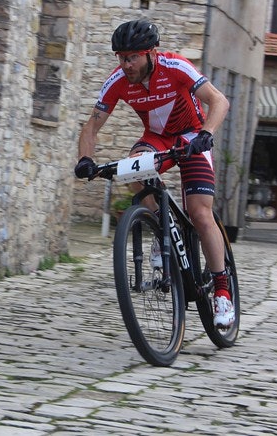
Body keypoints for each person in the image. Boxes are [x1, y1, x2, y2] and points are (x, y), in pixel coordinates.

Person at [74, 19, 234, 328]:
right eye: (121, 57)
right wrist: (85, 159)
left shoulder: (176, 66)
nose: (126, 64)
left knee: (201, 215)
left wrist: (207, 132)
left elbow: (219, 101)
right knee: (132, 167)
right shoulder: (118, 80)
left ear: (152, 53)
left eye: (132, 57)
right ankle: (163, 231)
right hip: (157, 139)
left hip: (190, 137)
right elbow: (91, 125)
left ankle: (222, 292)